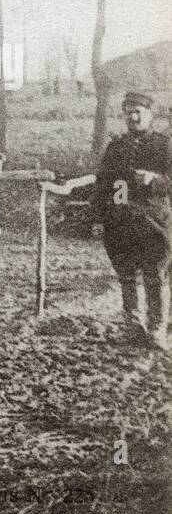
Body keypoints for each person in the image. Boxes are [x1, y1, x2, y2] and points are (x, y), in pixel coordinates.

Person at [92, 91, 171, 350]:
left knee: (154, 276)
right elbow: (108, 184)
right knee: (126, 276)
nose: (133, 117)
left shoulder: (163, 145)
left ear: (150, 115)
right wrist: (101, 216)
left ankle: (156, 328)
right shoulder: (117, 147)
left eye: (139, 112)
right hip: (122, 223)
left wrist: (154, 180)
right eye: (129, 112)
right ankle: (132, 325)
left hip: (154, 223)